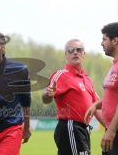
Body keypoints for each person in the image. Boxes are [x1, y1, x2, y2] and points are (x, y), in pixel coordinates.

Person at [42, 39, 104, 155]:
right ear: (66, 55)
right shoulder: (61, 75)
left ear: (84, 54)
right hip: (71, 127)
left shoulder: (87, 80)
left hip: (83, 130)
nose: (75, 52)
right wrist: (48, 94)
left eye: (79, 50)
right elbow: (46, 97)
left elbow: (97, 107)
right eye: (71, 50)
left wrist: (110, 128)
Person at [85, 22, 118, 155]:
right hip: (112, 131)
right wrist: (96, 105)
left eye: (104, 39)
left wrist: (111, 130)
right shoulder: (114, 65)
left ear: (115, 40)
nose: (101, 43)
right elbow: (113, 97)